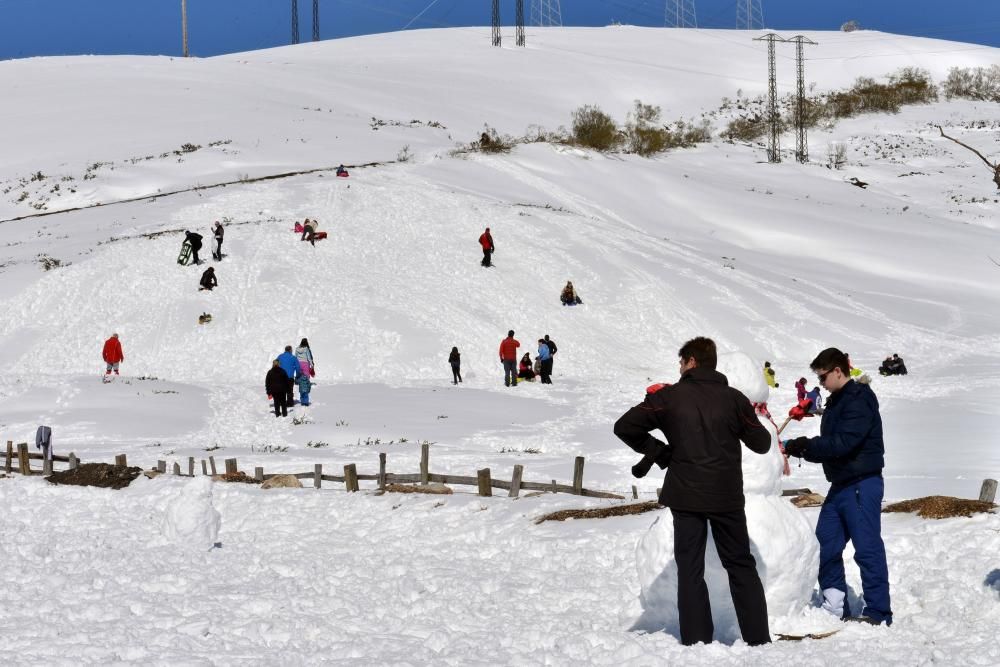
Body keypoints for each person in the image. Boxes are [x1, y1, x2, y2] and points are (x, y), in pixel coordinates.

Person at [613, 337, 772, 646]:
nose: (680, 368)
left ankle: (697, 642)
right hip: (726, 497)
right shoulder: (734, 399)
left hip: (685, 496)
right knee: (740, 564)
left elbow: (624, 427)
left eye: (681, 362)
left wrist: (660, 452)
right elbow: (762, 444)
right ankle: (758, 639)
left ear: (691, 362)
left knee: (690, 568)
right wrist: (744, 418)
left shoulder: (668, 397)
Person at [782, 347, 892, 626]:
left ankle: (878, 612)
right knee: (825, 545)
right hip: (841, 484)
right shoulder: (837, 400)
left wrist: (805, 446)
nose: (820, 383)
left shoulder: (858, 399)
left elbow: (843, 443)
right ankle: (835, 605)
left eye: (822, 377)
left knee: (866, 548)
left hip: (862, 483)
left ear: (838, 371)